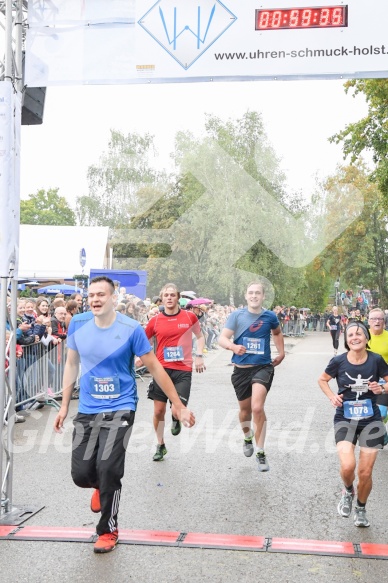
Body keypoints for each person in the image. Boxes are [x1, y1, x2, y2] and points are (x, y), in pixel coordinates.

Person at [53, 276, 195, 554]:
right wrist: (64, 405)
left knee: (109, 468)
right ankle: (99, 486)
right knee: (81, 474)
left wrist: (177, 404)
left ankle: (108, 529)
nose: (94, 299)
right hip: (88, 408)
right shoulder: (78, 324)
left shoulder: (131, 329)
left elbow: (155, 368)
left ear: (113, 298)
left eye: (101, 295)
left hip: (121, 405)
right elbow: (71, 364)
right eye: (91, 295)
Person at [318, 321, 388, 528]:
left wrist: (382, 388)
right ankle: (348, 490)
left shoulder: (376, 360)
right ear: (346, 341)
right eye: (350, 335)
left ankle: (361, 508)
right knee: (348, 466)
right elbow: (322, 380)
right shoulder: (338, 361)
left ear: (367, 338)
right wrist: (332, 396)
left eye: (359, 334)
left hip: (371, 420)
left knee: (365, 472)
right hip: (345, 418)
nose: (355, 337)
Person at [218, 282, 285, 472]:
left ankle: (261, 452)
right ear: (246, 296)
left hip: (262, 367)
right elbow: (222, 338)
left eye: (258, 293)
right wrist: (233, 347)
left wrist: (281, 352)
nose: (254, 296)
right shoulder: (237, 316)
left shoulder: (269, 316)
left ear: (263, 296)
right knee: (245, 411)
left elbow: (277, 332)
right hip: (241, 370)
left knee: (257, 408)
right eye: (251, 293)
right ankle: (247, 436)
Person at [140, 283, 205, 462]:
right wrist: (141, 357)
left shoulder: (189, 316)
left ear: (178, 298)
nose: (169, 298)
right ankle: (160, 445)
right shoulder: (155, 321)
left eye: (172, 295)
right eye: (166, 295)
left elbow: (200, 337)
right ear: (162, 299)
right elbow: (142, 342)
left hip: (183, 370)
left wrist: (199, 355)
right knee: (158, 411)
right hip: (161, 370)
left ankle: (175, 417)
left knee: (177, 410)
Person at [367, 308, 388, 441]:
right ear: (368, 321)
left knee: (381, 413)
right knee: (372, 413)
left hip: (385, 380)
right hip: (369, 380)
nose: (377, 321)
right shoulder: (363, 336)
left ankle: (381, 431)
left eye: (380, 319)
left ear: (384, 321)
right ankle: (382, 433)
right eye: (374, 319)